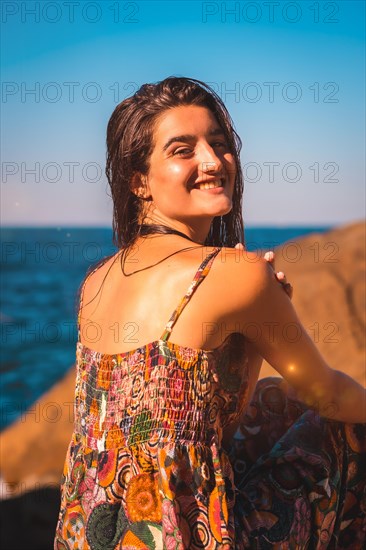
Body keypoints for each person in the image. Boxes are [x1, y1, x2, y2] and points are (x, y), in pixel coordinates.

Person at [54, 76, 366, 549]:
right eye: (183, 150)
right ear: (138, 180)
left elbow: (200, 429)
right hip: (187, 537)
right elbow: (327, 395)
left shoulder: (95, 280)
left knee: (272, 402)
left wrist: (248, 342)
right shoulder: (233, 272)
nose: (213, 161)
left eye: (219, 144)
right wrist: (255, 292)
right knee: (341, 426)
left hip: (90, 535)